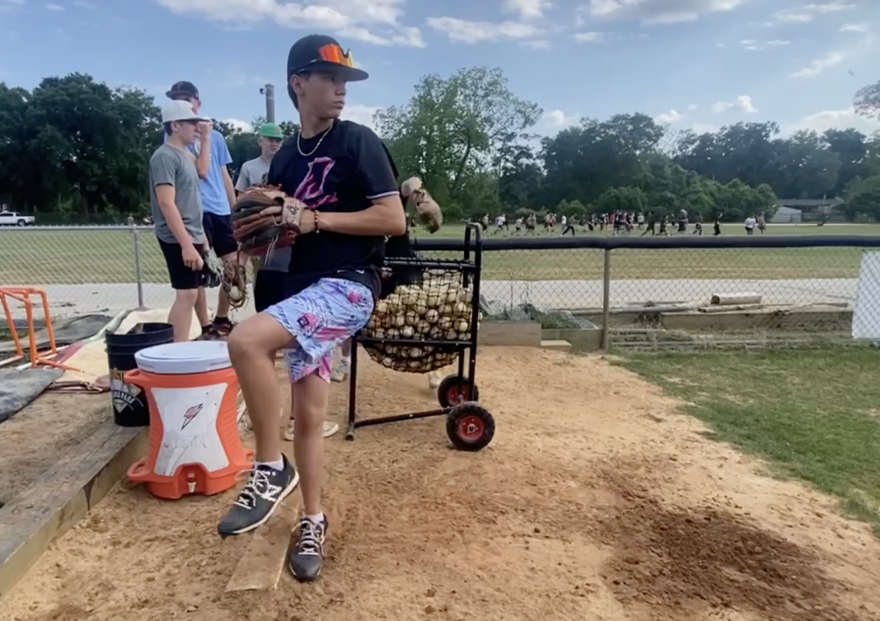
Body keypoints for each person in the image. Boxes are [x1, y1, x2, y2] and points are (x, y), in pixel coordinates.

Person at [219, 35, 406, 583]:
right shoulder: (290, 165)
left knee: (245, 340)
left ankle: (270, 468)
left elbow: (393, 220)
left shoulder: (356, 142)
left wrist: (316, 219)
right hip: (302, 289)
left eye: (345, 80)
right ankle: (313, 520)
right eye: (329, 78)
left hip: (350, 285)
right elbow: (283, 235)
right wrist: (256, 238)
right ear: (298, 83)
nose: (340, 89)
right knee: (310, 415)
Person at [165, 81, 239, 340]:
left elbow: (222, 173)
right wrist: (204, 137)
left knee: (232, 268)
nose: (183, 103)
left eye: (187, 98)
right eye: (177, 99)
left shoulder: (216, 137)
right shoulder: (176, 136)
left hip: (220, 210)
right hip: (196, 210)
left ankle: (222, 318)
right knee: (200, 273)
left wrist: (235, 209)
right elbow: (201, 170)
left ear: (198, 102)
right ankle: (206, 325)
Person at [149, 101, 211, 342]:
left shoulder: (186, 155)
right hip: (177, 235)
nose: (197, 128)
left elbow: (195, 189)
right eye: (191, 123)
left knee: (192, 294)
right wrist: (185, 244)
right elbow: (166, 203)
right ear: (175, 125)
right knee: (186, 294)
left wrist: (201, 239)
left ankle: (177, 348)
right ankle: (175, 351)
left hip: (192, 233)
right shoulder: (163, 157)